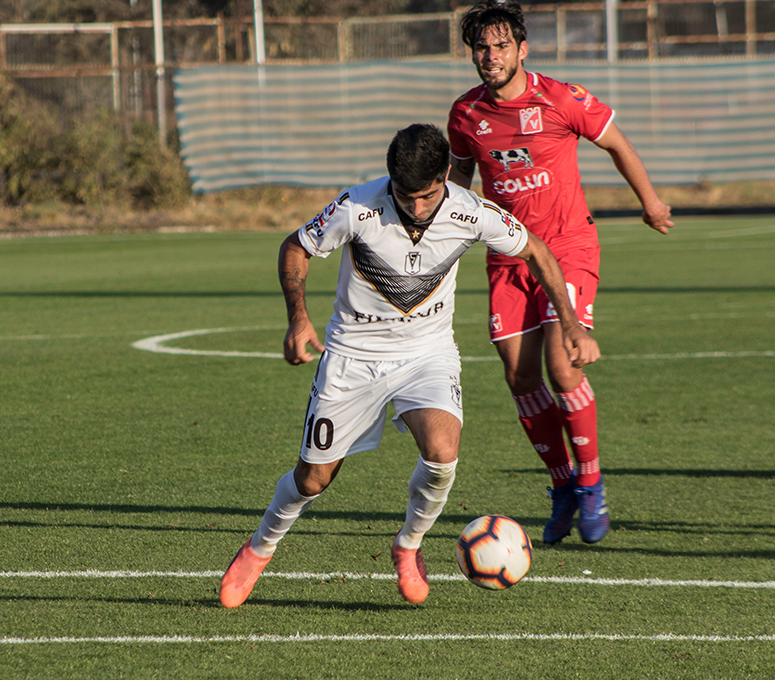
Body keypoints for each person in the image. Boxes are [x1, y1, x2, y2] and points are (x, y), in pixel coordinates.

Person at [219, 123, 599, 608]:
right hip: (352, 357)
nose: (416, 207)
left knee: (442, 452)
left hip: (427, 353)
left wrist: (569, 323)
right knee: (313, 479)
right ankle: (258, 549)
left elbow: (536, 251)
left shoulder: (471, 211)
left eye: (427, 195)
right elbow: (295, 247)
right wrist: (298, 319)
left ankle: (409, 546)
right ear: (389, 180)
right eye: (405, 195)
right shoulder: (357, 207)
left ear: (446, 176)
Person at [446, 0, 674, 546]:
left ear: (522, 50)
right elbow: (457, 182)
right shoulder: (464, 115)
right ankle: (563, 485)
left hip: (569, 245)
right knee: (519, 377)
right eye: (482, 47)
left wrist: (651, 202)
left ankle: (592, 483)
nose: (490, 55)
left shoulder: (560, 98)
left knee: (563, 364)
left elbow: (617, 143)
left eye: (500, 46)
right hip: (508, 257)